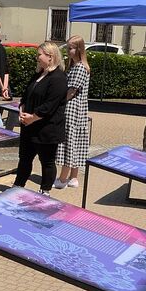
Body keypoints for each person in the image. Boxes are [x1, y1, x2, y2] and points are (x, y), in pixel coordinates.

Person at [13, 42, 68, 194]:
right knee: (25, 158)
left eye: (39, 55)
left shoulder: (58, 78)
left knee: (47, 161)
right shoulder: (38, 74)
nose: (37, 58)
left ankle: (45, 191)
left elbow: (50, 104)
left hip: (47, 128)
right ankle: (17, 187)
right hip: (29, 126)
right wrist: (22, 109)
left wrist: (33, 117)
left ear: (50, 56)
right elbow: (26, 96)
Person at [54, 35, 91, 189]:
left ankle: (63, 178)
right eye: (68, 48)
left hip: (72, 109)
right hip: (78, 110)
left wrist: (59, 103)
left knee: (69, 142)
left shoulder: (80, 67)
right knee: (75, 141)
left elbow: (71, 91)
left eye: (71, 48)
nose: (68, 51)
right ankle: (73, 177)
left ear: (79, 49)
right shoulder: (77, 66)